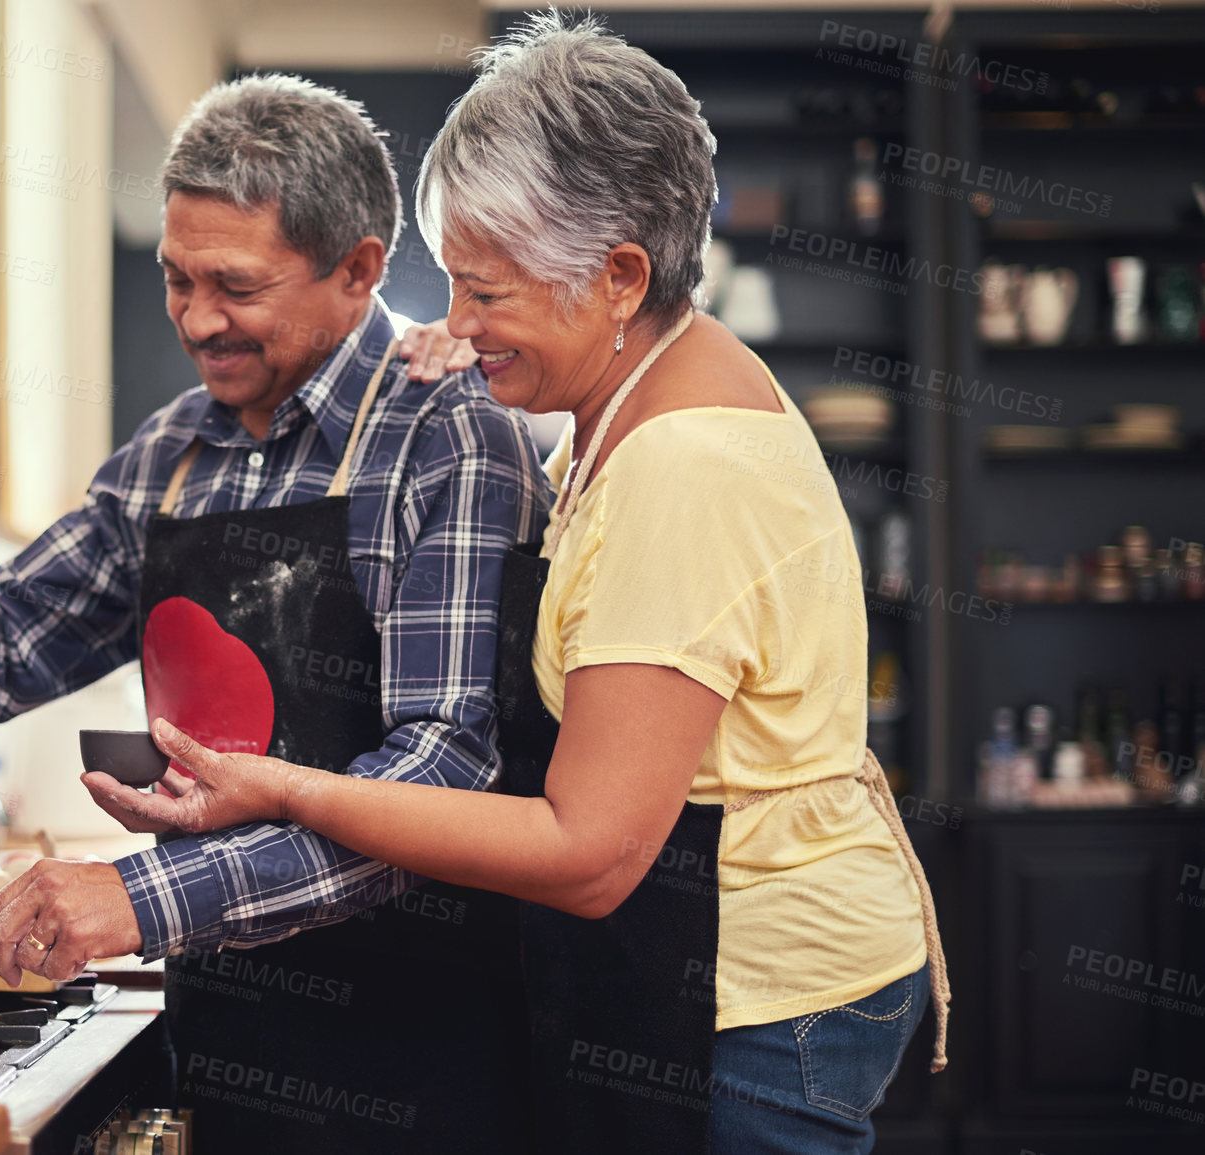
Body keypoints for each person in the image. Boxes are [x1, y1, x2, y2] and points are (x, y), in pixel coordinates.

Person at [84, 15, 951, 1154]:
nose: (456, 326)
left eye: (486, 293)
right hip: (711, 967)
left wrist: (286, 789)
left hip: (758, 1004)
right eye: (451, 287)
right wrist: (491, 363)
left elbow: (586, 855)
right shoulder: (638, 387)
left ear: (618, 276)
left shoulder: (678, 466)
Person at [0, 75, 549, 1153]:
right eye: (175, 279)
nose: (198, 321)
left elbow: (442, 775)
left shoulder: (447, 435)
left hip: (420, 1047)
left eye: (235, 287)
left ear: (357, 268)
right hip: (222, 1020)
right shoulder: (173, 452)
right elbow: (12, 637)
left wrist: (146, 897)